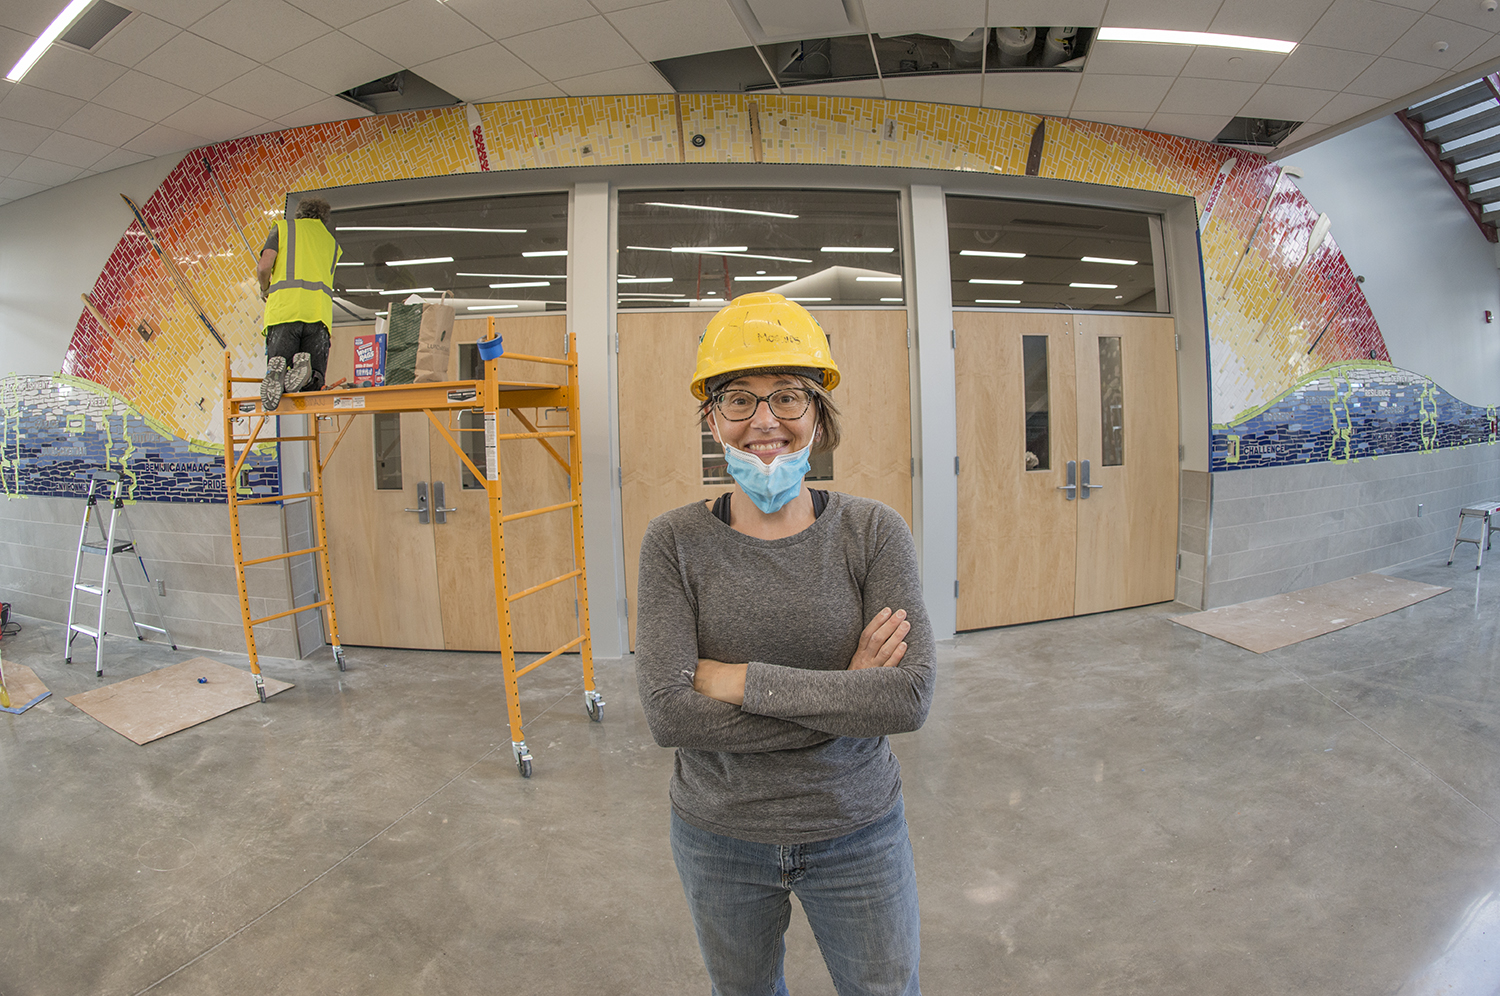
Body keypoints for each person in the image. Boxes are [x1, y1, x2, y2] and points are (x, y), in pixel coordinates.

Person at [636, 293, 936, 996]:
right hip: (719, 837)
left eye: (788, 397)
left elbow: (909, 696)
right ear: (711, 419)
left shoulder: (873, 533)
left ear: (819, 417)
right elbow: (669, 715)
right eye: (738, 399)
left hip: (857, 828)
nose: (764, 421)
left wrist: (736, 680)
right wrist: (847, 694)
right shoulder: (674, 543)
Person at [257, 196, 342, 410]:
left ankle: (282, 368)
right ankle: (305, 372)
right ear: (324, 218)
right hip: (318, 317)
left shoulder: (283, 229)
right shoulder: (331, 243)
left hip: (285, 312)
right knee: (313, 387)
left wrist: (264, 288)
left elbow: (264, 266)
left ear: (299, 213)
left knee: (279, 372)